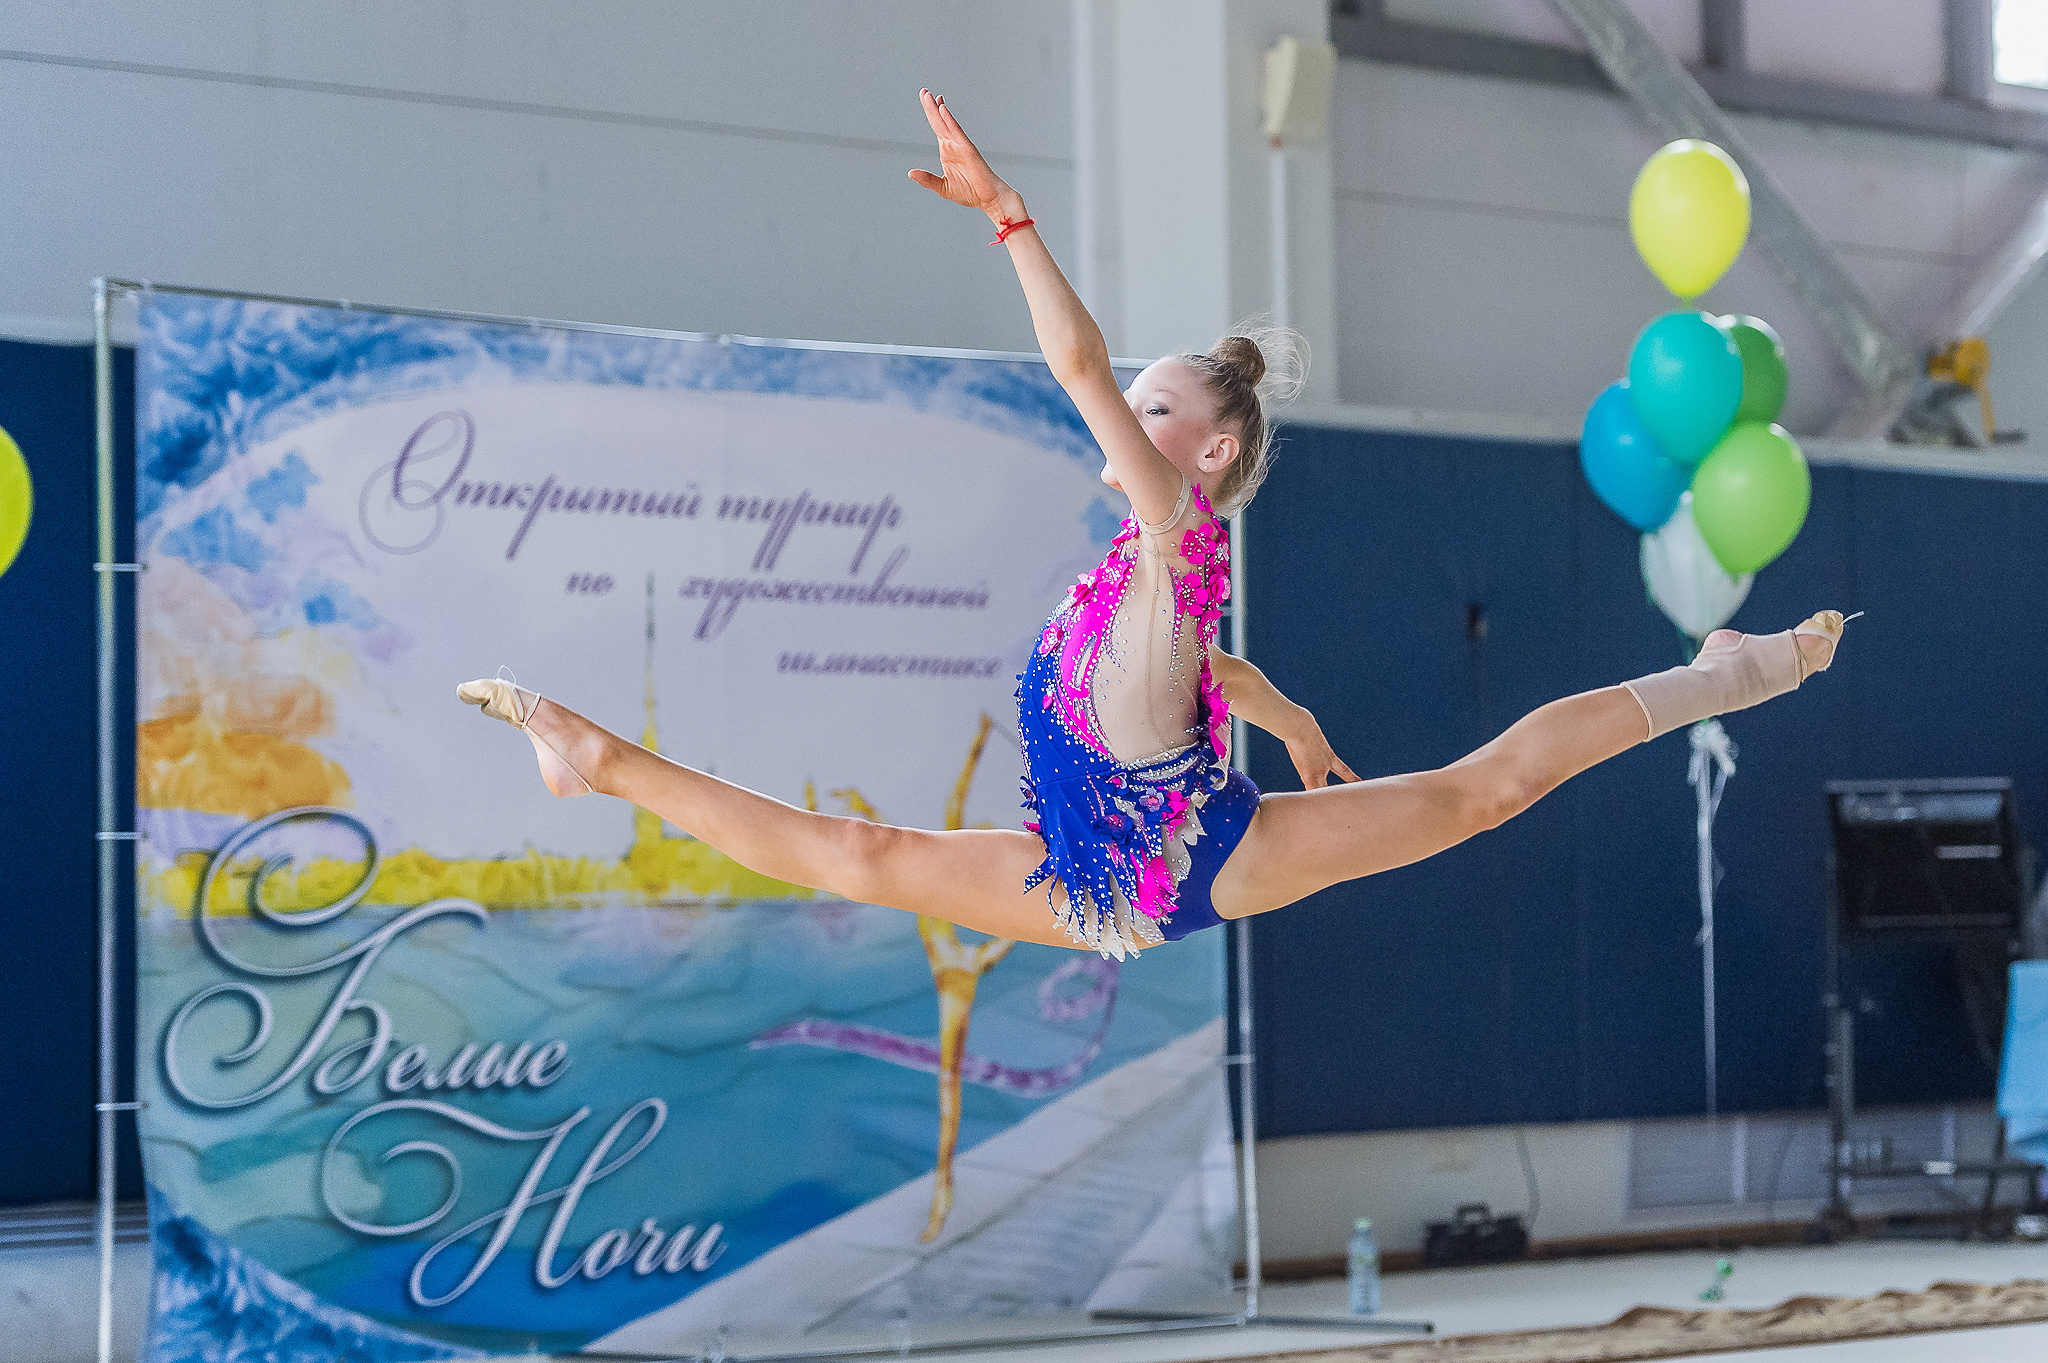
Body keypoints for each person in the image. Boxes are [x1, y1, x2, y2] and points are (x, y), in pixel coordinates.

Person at [458, 90, 1848, 958]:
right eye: (1138, 400)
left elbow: (1072, 367)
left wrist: (1011, 222)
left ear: (1215, 444)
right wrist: (1293, 720)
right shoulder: (1134, 575)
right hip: (1088, 868)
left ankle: (1738, 670)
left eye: (1156, 402)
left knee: (1483, 792)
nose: (1130, 409)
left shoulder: (1181, 521)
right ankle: (593, 753)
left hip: (1198, 855)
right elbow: (1197, 677)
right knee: (858, 856)